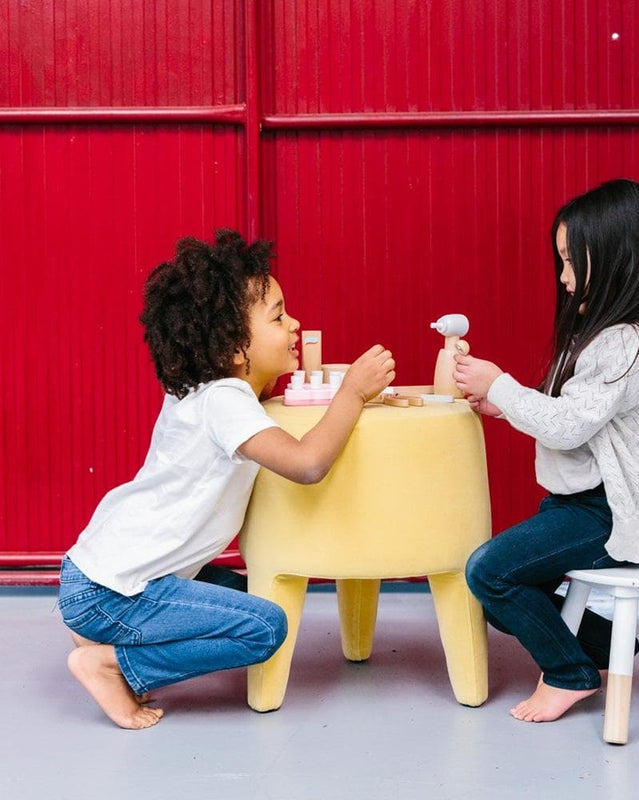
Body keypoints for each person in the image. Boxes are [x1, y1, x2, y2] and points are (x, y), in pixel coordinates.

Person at [58, 229, 395, 729]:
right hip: (117, 588)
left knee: (246, 596)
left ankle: (109, 635)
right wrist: (352, 393)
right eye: (279, 317)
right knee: (263, 626)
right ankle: (112, 663)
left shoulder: (207, 392)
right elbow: (306, 464)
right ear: (236, 346)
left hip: (100, 574)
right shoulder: (225, 403)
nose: (295, 324)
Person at [453, 179, 639, 724]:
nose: (562, 277)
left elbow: (564, 426)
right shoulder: (619, 334)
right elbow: (579, 421)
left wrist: (499, 384)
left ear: (616, 260)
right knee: (502, 588)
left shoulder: (624, 342)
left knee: (489, 573)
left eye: (571, 261)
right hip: (583, 503)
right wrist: (506, 407)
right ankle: (604, 648)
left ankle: (569, 673)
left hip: (609, 508)